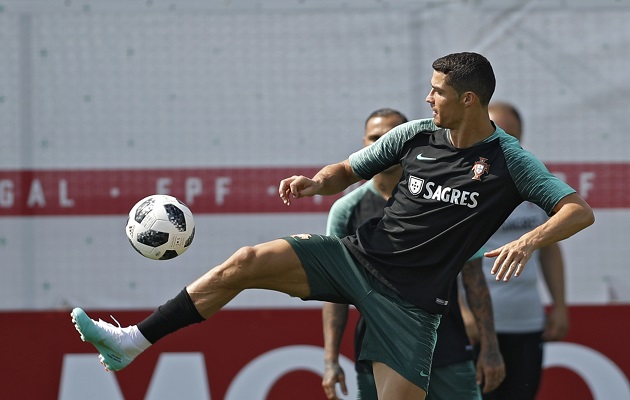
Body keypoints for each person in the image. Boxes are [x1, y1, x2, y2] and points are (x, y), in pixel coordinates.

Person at [70, 52, 594, 400]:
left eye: (437, 92)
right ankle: (132, 340)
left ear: (468, 100)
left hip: (413, 306)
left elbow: (578, 210)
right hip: (356, 259)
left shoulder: (509, 160)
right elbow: (347, 170)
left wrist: (528, 240)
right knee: (247, 261)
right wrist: (313, 182)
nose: (428, 98)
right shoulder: (415, 134)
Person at [321, 108, 505, 400]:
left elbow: (473, 277)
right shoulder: (347, 209)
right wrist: (331, 360)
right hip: (378, 349)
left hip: (447, 348)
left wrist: (490, 347)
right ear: (364, 143)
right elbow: (334, 290)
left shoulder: (445, 195)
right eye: (375, 137)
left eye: (392, 136)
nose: (383, 143)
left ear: (405, 142)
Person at [465, 102, 570, 400]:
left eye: (511, 135)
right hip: (477, 324)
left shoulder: (535, 181)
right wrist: (461, 310)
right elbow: (448, 256)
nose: (503, 142)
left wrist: (560, 305)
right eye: (495, 133)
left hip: (526, 319)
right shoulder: (461, 184)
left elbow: (550, 247)